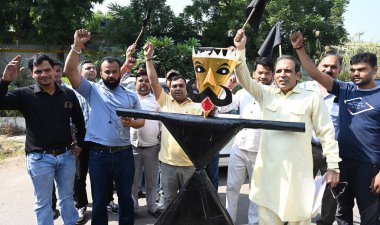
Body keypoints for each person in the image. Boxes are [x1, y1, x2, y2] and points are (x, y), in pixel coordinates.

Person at [233, 29, 341, 224]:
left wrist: (333, 167)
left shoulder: (311, 98)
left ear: (298, 75)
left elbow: (327, 133)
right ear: (274, 75)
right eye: (279, 71)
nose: (283, 75)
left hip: (298, 177)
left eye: (288, 71)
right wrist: (240, 50)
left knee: (299, 219)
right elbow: (244, 79)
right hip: (268, 177)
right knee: (267, 220)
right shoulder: (265, 94)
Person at [291, 31, 380, 225]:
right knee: (342, 213)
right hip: (343, 162)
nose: (356, 73)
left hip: (369, 166)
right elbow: (315, 73)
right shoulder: (345, 89)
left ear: (374, 69)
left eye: (362, 70)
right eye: (353, 70)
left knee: (369, 215)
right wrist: (299, 49)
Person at [64, 29, 145, 225]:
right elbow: (70, 71)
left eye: (114, 71)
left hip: (124, 153)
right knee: (99, 200)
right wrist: (76, 46)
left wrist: (131, 122)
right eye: (106, 71)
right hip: (98, 155)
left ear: (120, 73)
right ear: (101, 73)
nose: (110, 75)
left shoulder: (130, 95)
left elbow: (141, 121)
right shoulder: (91, 90)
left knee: (126, 198)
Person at [0, 54, 85, 225]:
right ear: (32, 73)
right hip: (39, 158)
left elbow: (79, 120)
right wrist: (4, 81)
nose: (44, 74)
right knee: (43, 203)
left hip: (66, 156)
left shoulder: (67, 94)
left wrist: (79, 144)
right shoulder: (24, 95)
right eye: (38, 71)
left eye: (47, 70)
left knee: (67, 198)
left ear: (55, 71)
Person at [144, 42, 202, 209]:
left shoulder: (197, 108)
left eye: (181, 86)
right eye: (174, 86)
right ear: (169, 90)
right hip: (168, 165)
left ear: (187, 88)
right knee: (168, 202)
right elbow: (153, 80)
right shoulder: (165, 103)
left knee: (189, 203)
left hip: (190, 165)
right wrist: (149, 59)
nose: (178, 88)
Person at [220, 57, 274, 225]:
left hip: (262, 151)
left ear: (272, 75)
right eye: (260, 73)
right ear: (253, 73)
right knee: (231, 188)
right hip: (239, 148)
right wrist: (229, 87)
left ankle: (253, 223)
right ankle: (229, 221)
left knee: (256, 192)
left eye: (267, 73)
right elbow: (222, 107)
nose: (263, 77)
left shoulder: (275, 95)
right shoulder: (243, 92)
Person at [300, 53, 342, 225]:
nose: (328, 70)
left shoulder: (344, 92)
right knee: (301, 188)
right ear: (317, 67)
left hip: (333, 151)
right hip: (307, 148)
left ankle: (325, 222)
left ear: (339, 70)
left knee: (331, 192)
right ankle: (300, 220)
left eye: (333, 67)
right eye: (325, 66)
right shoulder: (304, 88)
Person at [131, 67, 162, 218]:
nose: (143, 83)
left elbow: (162, 123)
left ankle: (152, 207)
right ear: (135, 83)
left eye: (146, 81)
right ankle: (133, 208)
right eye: (140, 81)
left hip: (152, 147)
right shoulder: (129, 98)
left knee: (152, 180)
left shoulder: (157, 100)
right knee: (133, 181)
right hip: (132, 146)